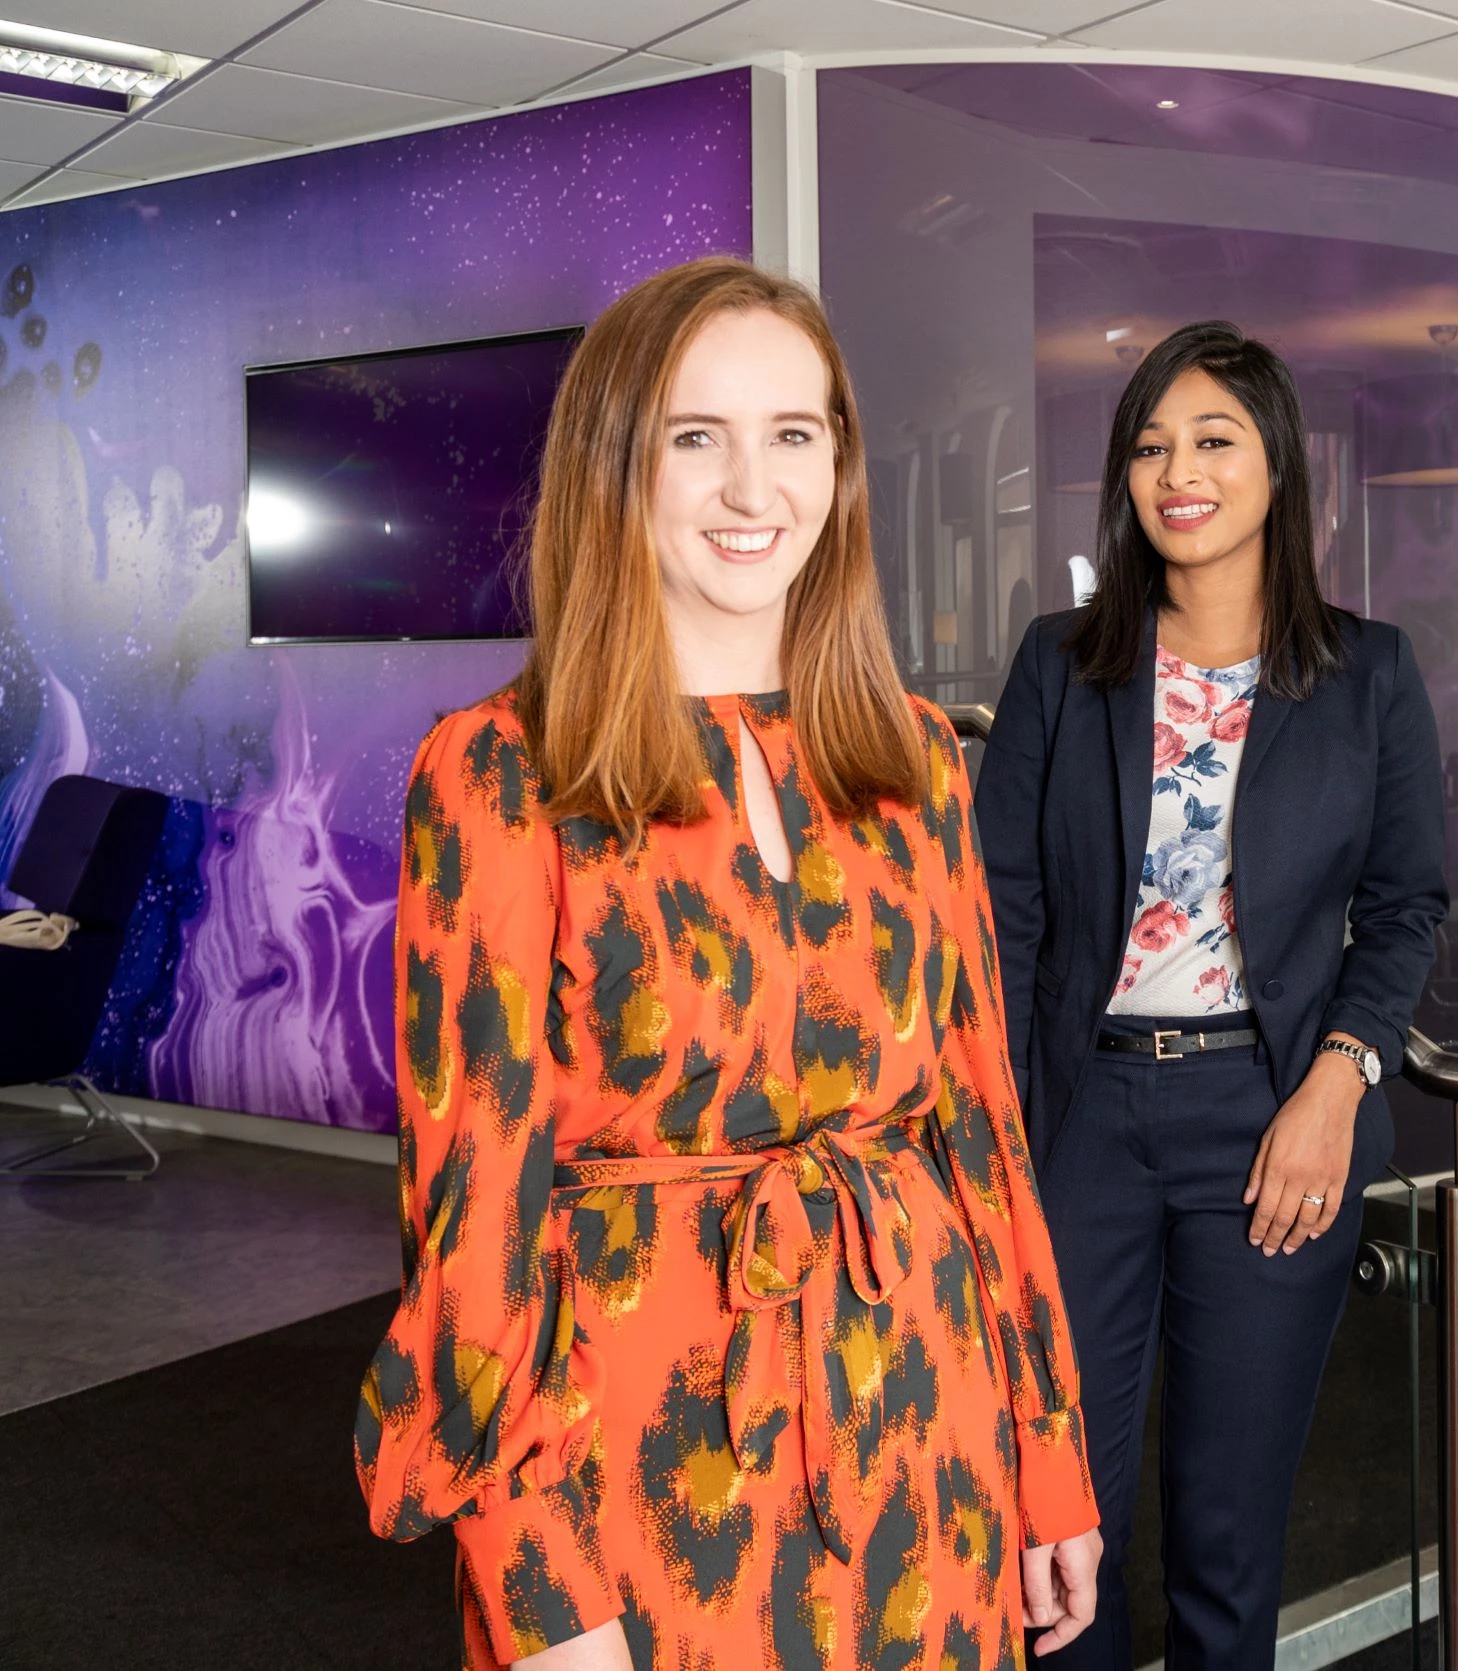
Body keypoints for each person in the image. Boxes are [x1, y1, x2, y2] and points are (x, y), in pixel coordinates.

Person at [354, 256, 1101, 1671]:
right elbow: (471, 1228)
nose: (754, 491)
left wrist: (1047, 1457)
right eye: (698, 438)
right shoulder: (503, 774)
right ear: (616, 466)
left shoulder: (919, 763)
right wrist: (535, 1590)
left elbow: (983, 1137)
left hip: (924, 1433)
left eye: (793, 437)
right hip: (638, 1475)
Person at [974, 320, 1445, 1669]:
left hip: (1271, 1112)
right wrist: (999, 1125)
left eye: (1215, 438)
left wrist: (1336, 1089)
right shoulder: (1061, 664)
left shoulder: (1369, 676)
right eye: (1150, 443)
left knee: (1228, 1540)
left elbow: (1405, 909)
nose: (1178, 468)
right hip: (1078, 1114)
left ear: (1279, 468)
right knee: (1055, 1520)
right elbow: (1000, 910)